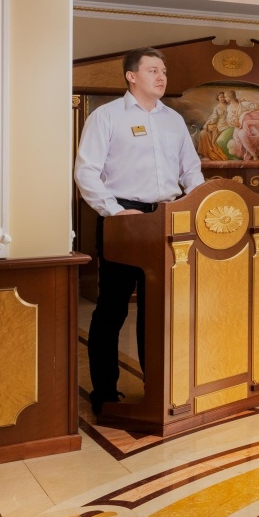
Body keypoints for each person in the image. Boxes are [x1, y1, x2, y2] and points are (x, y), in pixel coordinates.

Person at [74, 48, 204, 415]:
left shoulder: (174, 121)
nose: (161, 77)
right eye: (152, 70)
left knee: (160, 309)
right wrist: (116, 212)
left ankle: (158, 389)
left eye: (163, 71)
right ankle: (104, 394)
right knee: (112, 309)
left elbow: (191, 170)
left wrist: (198, 204)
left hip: (167, 217)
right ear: (131, 76)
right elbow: (86, 172)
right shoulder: (106, 117)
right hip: (123, 219)